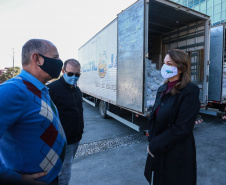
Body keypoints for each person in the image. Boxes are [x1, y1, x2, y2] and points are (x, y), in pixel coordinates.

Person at [0, 39, 67, 185]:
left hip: (52, 177)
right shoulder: (12, 91)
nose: (59, 62)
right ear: (37, 59)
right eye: (56, 57)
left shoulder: (39, 88)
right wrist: (13, 180)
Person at [144, 49, 200, 185]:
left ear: (180, 68)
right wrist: (152, 139)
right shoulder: (162, 89)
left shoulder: (190, 90)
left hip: (177, 152)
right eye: (164, 63)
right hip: (160, 150)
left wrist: (154, 145)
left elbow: (182, 127)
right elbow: (155, 118)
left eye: (169, 63)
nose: (164, 67)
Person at [47, 59, 84, 185]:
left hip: (76, 138)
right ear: (63, 71)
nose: (74, 77)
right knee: (64, 173)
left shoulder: (77, 90)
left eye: (77, 74)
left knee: (67, 166)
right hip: (63, 140)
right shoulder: (52, 89)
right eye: (70, 74)